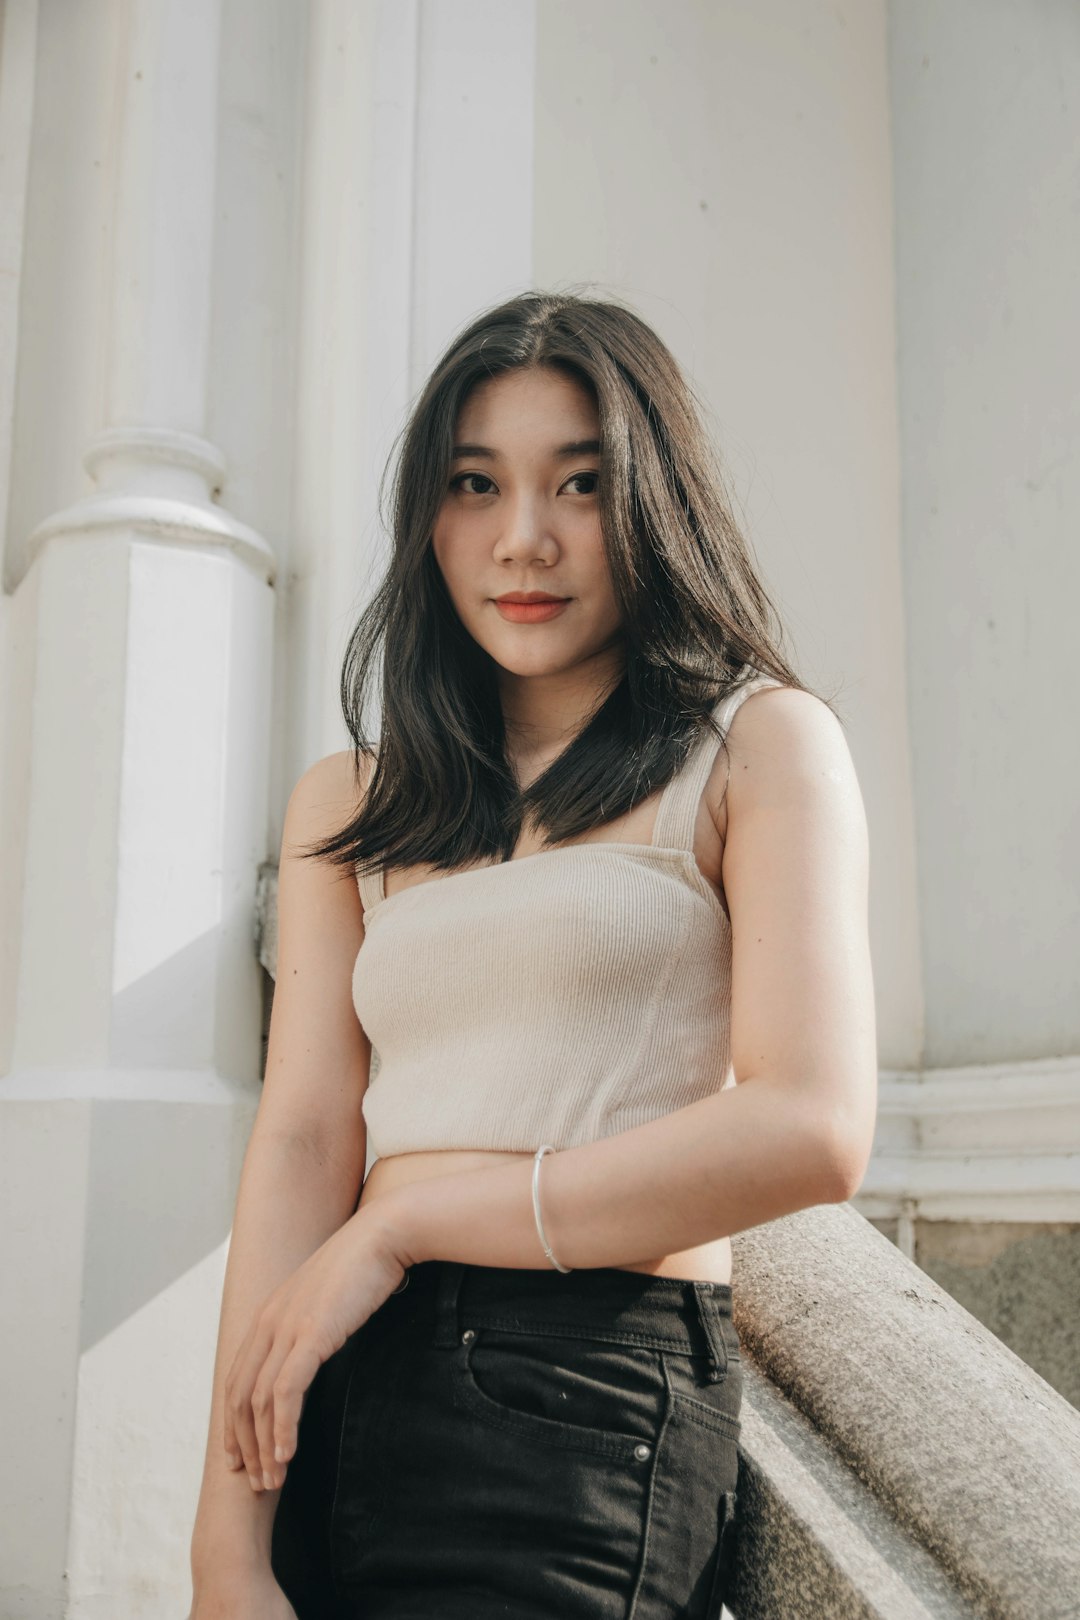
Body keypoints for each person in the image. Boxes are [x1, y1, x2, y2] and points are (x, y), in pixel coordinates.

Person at [188, 290, 877, 1619]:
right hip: (335, 1377)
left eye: (580, 483)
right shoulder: (354, 802)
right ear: (427, 518)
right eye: (474, 483)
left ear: (652, 504)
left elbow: (811, 1126)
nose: (524, 538)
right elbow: (299, 1143)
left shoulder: (758, 748)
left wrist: (407, 1224)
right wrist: (227, 1543)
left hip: (576, 1400)